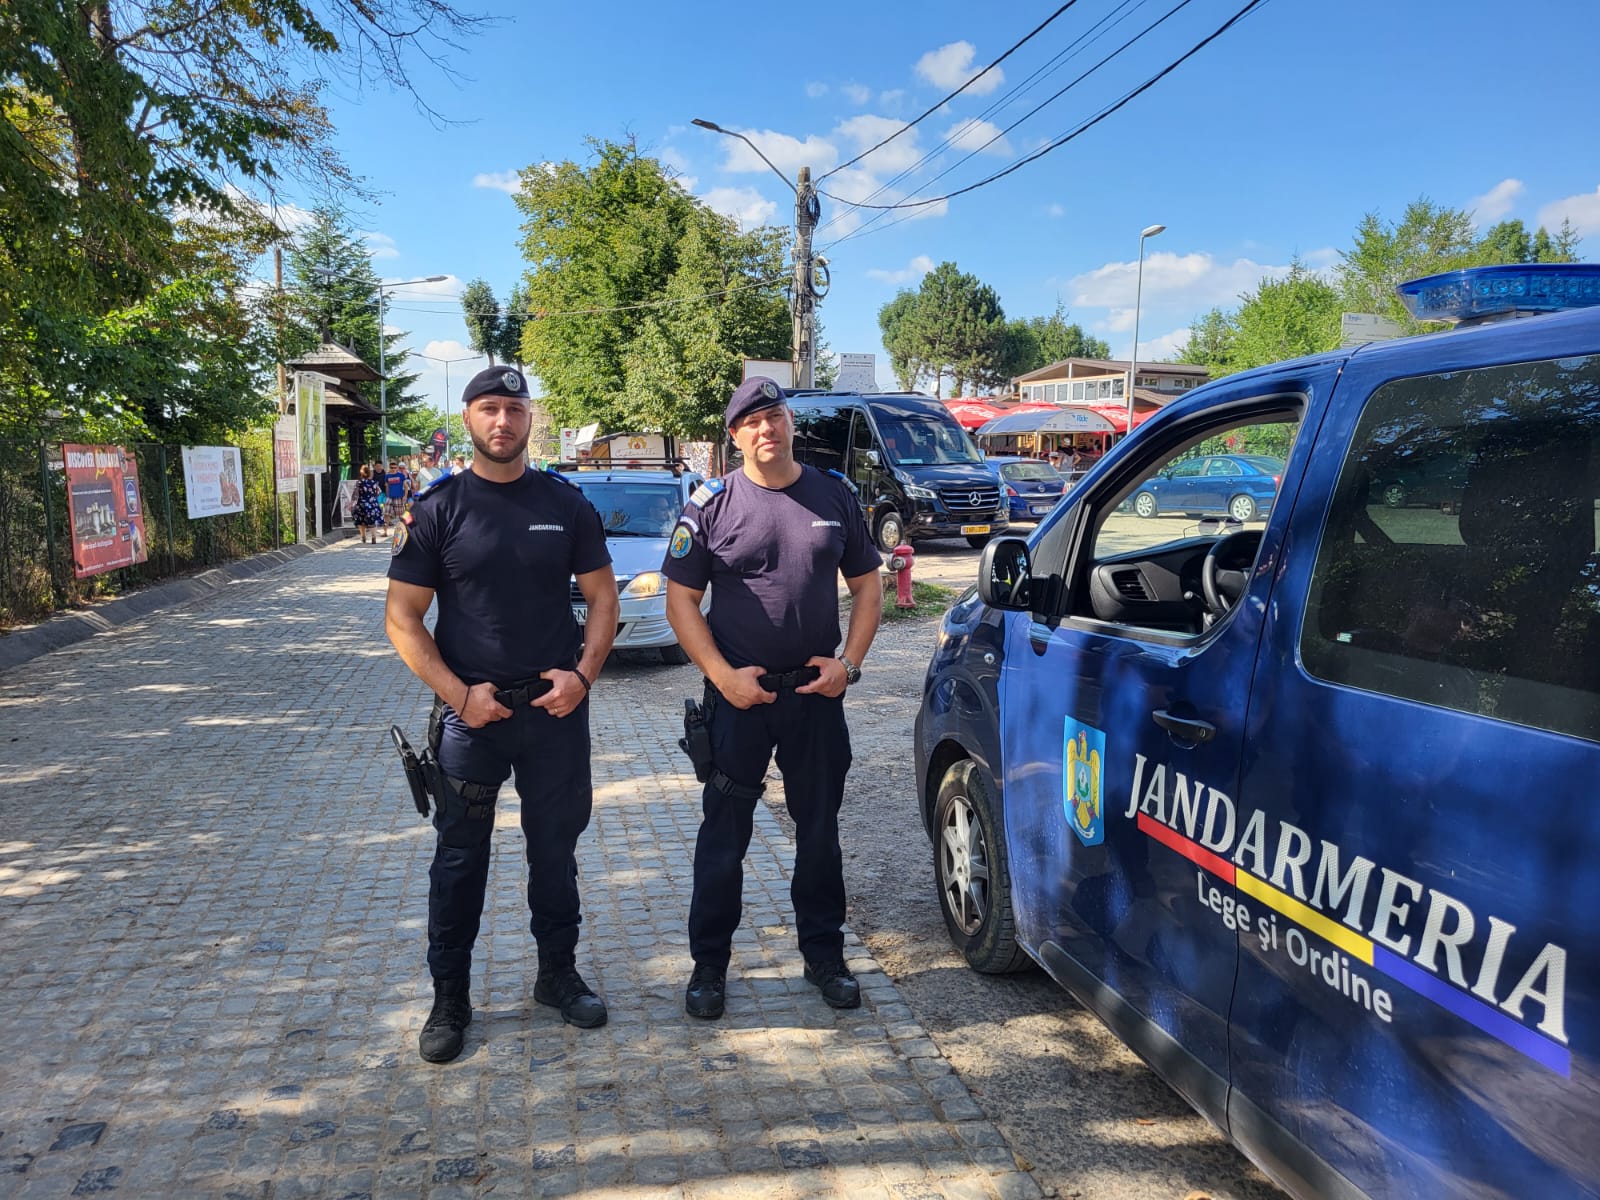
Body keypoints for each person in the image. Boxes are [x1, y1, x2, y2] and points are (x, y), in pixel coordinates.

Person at [385, 365, 621, 1064]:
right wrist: (461, 696)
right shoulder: (438, 509)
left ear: (530, 418)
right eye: (489, 408)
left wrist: (583, 677)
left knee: (555, 851)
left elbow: (604, 600)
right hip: (471, 720)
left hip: (554, 713)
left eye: (514, 409)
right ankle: (450, 998)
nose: (502, 421)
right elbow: (402, 618)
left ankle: (557, 975)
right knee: (459, 860)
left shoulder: (565, 504)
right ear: (468, 418)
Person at [663, 376, 882, 1021]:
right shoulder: (711, 505)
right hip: (739, 702)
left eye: (775, 416)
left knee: (819, 835)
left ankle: (824, 957)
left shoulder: (834, 495)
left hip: (816, 697)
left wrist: (849, 665)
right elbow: (681, 603)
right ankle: (709, 966)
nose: (767, 429)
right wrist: (722, 676)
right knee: (723, 837)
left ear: (790, 422)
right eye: (752, 422)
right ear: (735, 436)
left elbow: (868, 589)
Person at [354, 464, 384, 543]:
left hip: (362, 503)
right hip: (372, 503)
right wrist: (373, 497)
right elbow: (379, 492)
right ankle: (373, 537)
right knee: (372, 520)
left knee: (361, 520)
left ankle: (363, 537)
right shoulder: (373, 482)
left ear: (361, 473)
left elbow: (356, 494)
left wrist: (352, 502)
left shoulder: (359, 482)